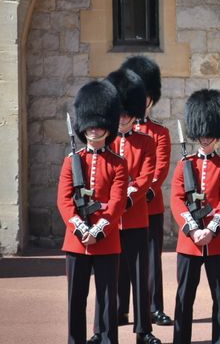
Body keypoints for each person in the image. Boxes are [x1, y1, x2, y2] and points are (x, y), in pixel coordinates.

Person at [89, 69, 161, 344]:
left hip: (134, 217)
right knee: (105, 278)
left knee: (140, 277)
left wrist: (127, 195)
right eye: (118, 113)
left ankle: (143, 330)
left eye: (126, 113)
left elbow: (147, 177)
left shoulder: (146, 142)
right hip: (108, 220)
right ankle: (101, 328)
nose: (121, 119)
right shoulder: (103, 143)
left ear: (133, 113)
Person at [57, 80, 127, 344]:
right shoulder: (71, 162)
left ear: (107, 127)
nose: (94, 129)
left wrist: (98, 230)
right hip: (76, 242)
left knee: (108, 300)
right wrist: (80, 227)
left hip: (106, 241)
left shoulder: (118, 164)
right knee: (76, 299)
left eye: (99, 124)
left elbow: (117, 202)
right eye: (90, 124)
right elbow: (64, 201)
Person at [171, 89, 220, 344]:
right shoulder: (183, 165)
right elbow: (177, 200)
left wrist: (210, 230)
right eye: (202, 133)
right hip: (189, 243)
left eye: (210, 133)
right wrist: (192, 229)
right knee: (184, 297)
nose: (205, 137)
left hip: (216, 242)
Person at [121, 55, 173, 326]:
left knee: (152, 260)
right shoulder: (116, 132)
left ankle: (154, 307)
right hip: (121, 208)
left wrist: (140, 191)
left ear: (151, 99)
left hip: (149, 205)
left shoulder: (159, 133)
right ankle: (121, 309)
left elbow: (159, 169)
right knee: (119, 260)